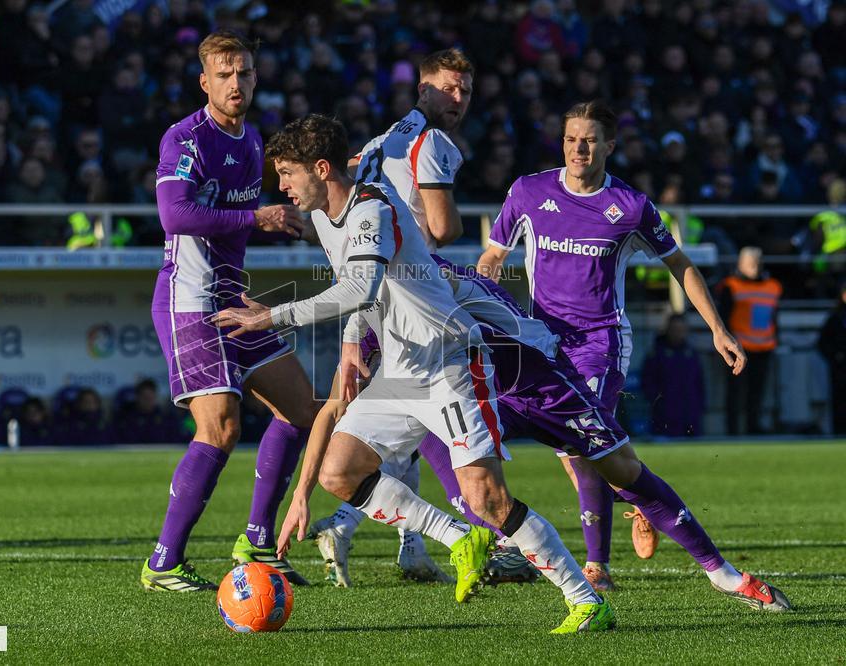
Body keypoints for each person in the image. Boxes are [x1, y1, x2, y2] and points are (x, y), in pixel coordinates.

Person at [220, 114, 615, 633]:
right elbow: (358, 285)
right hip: (400, 368)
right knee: (339, 472)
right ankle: (459, 539)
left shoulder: (372, 209)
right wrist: (347, 349)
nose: (284, 186)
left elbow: (359, 288)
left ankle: (587, 600)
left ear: (322, 168)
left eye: (289, 173)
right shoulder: (323, 217)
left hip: (449, 362)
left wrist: (271, 315)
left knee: (488, 499)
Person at [476, 100, 748, 591]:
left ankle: (597, 567)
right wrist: (482, 303)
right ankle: (639, 498)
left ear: (609, 146)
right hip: (541, 346)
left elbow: (680, 265)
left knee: (583, 446)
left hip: (601, 342)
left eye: (590, 139)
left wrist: (718, 328)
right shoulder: (529, 192)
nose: (579, 148)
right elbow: (492, 258)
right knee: (552, 444)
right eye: (571, 139)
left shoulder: (630, 206)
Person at [311, 48, 536, 586]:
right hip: (410, 297)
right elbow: (440, 229)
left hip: (374, 298)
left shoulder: (377, 142)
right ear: (423, 87)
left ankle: (391, 539)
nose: (457, 99)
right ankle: (485, 535)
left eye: (465, 90)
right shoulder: (431, 143)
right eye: (447, 88)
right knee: (434, 423)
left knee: (399, 430)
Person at [139, 31, 319, 593]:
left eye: (243, 73)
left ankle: (258, 541)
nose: (234, 83)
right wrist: (257, 220)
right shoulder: (185, 138)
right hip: (189, 301)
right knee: (219, 427)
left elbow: (247, 219)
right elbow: (176, 216)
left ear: (254, 77)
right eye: (223, 75)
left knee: (304, 412)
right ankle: (164, 562)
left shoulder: (253, 141)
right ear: (204, 82)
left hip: (231, 297)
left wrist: (293, 222)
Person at [716, 247, 782, 436]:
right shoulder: (731, 285)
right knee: (735, 394)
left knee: (757, 394)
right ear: (740, 264)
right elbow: (724, 318)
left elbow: (775, 317)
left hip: (764, 347)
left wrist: (777, 338)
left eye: (758, 261)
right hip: (739, 349)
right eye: (751, 261)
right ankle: (733, 432)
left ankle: (753, 430)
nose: (755, 265)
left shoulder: (773, 286)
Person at [641, 314, 705, 438]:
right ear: (668, 330)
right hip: (664, 415)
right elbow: (647, 382)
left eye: (681, 330)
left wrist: (700, 406)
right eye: (675, 330)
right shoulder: (656, 354)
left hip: (690, 415)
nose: (678, 333)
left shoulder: (691, 354)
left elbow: (699, 382)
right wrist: (658, 403)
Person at [818, 281, 846, 435]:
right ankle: (840, 432)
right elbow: (823, 343)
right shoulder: (835, 318)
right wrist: (836, 357)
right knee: (840, 401)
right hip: (841, 368)